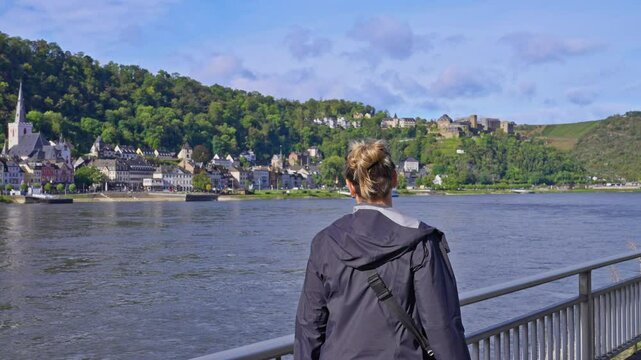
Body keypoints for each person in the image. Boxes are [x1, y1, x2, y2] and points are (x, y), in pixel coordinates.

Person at [294, 139, 470, 360]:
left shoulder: (325, 242)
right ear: (394, 179)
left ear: (350, 186)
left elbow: (309, 327)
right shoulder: (421, 242)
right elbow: (443, 327)